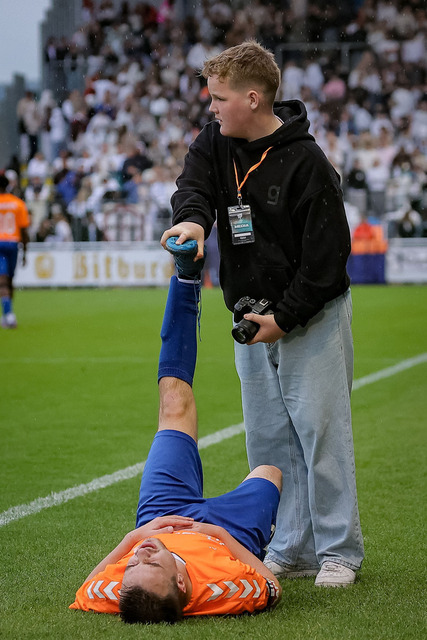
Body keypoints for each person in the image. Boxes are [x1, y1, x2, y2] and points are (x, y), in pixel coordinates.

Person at [161, 40, 364, 587]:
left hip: (310, 316)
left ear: (253, 99)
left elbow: (327, 261)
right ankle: (290, 546)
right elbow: (193, 186)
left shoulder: (308, 163)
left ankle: (339, 551)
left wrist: (285, 318)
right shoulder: (214, 141)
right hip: (250, 319)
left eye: (219, 98)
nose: (211, 108)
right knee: (268, 440)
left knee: (321, 435)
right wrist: (193, 222)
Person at [70, 247, 282, 624]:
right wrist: (216, 533)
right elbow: (272, 586)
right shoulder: (222, 589)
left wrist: (135, 538)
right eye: (151, 563)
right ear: (181, 583)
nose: (140, 557)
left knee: (172, 403)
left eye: (132, 566)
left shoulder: (128, 590)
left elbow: (87, 588)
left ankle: (185, 278)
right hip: (226, 533)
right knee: (271, 471)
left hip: (161, 516)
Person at [0, 174, 30, 329]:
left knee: (2, 280)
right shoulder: (18, 203)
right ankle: (8, 314)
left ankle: (8, 315)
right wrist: (25, 252)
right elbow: (24, 230)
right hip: (13, 244)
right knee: (9, 280)